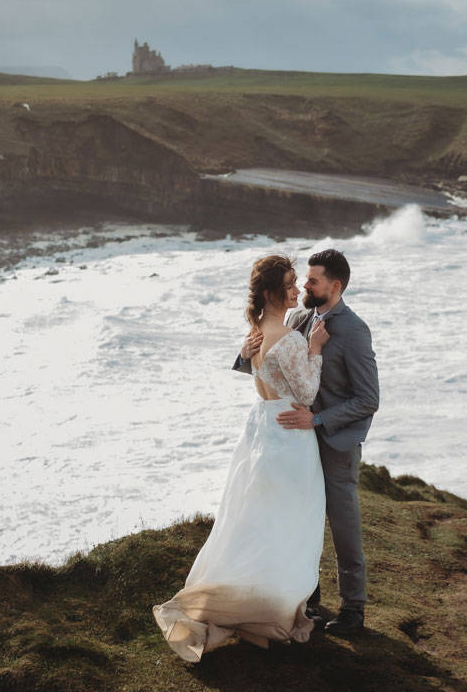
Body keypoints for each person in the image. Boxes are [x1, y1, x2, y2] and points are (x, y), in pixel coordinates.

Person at [152, 255, 331, 662]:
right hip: (289, 436)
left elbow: (263, 374)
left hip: (262, 433)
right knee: (292, 522)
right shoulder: (291, 338)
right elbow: (306, 394)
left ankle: (257, 596)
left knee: (258, 521)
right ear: (271, 292)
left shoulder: (255, 334)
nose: (296, 290)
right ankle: (275, 604)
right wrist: (316, 349)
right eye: (289, 284)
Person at [235, 248, 379, 636]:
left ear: (335, 286)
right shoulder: (298, 319)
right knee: (300, 518)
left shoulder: (354, 330)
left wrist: (316, 419)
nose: (304, 286)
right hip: (294, 440)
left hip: (333, 442)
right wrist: (243, 355)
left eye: (313, 281)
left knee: (343, 524)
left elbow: (368, 399)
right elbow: (274, 363)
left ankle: (353, 608)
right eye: (303, 280)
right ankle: (306, 596)